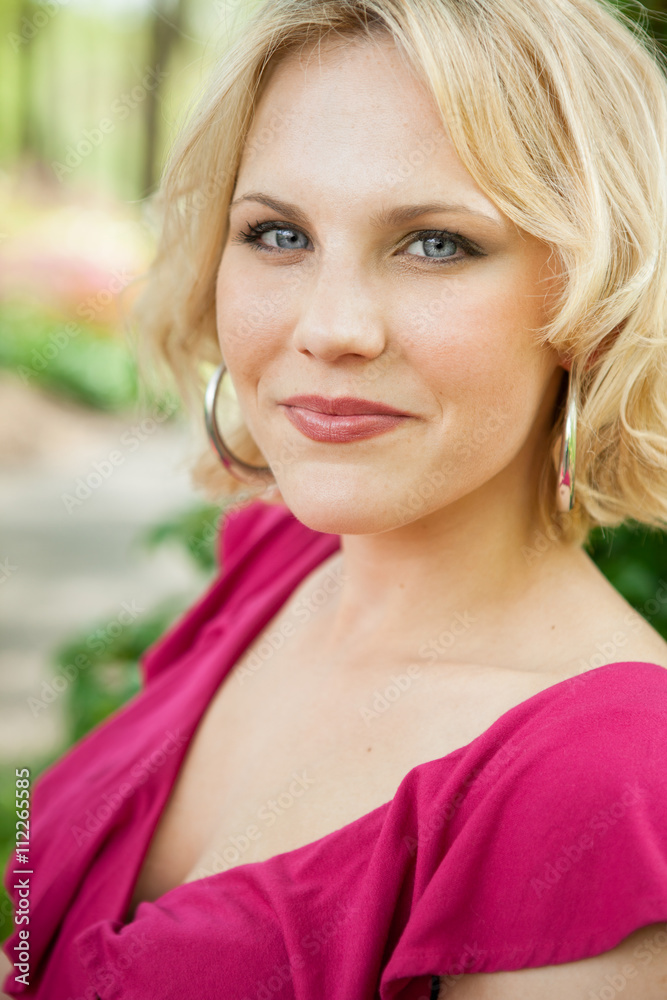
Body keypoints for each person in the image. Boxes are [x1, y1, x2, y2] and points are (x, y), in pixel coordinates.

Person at [4, 0, 667, 996]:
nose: (330, 325)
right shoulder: (277, 564)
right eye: (276, 233)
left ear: (589, 297)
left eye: (435, 243)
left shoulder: (608, 784)